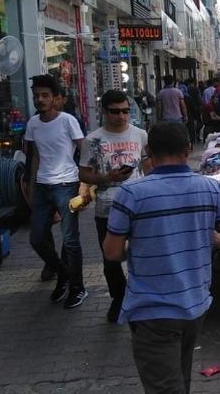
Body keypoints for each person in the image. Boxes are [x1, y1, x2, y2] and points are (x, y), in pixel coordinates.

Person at [104, 121, 220, 393]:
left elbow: (112, 252)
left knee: (166, 386)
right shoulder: (210, 188)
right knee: (180, 377)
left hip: (152, 310)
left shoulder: (131, 194)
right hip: (195, 304)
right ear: (188, 149)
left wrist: (140, 247)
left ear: (148, 151)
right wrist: (215, 239)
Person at [78, 90, 150, 322]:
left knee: (142, 252)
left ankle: (139, 297)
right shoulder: (92, 140)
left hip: (138, 205)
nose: (121, 116)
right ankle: (118, 298)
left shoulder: (140, 134)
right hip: (107, 207)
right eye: (115, 111)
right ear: (104, 112)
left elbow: (147, 165)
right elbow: (84, 174)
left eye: (125, 111)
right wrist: (106, 177)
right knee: (111, 257)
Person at [24, 75, 88, 308]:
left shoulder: (67, 120)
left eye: (45, 95)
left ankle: (77, 287)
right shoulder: (33, 124)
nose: (40, 99)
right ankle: (63, 273)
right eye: (36, 96)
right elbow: (35, 157)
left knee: (70, 240)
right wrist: (32, 188)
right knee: (36, 238)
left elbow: (85, 150)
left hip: (67, 184)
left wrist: (85, 183)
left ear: (55, 98)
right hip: (42, 186)